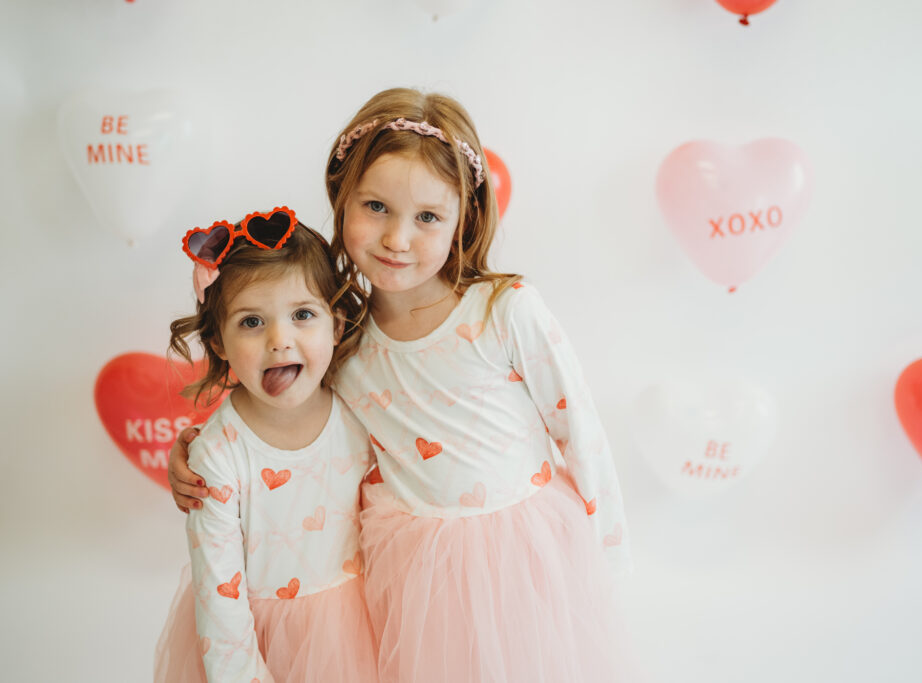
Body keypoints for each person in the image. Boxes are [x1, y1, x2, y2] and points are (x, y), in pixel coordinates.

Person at [170, 89, 632, 683]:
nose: (398, 238)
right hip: (414, 574)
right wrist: (195, 451)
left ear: (462, 220)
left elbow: (583, 437)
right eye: (376, 206)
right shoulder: (344, 339)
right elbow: (282, 415)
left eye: (428, 218)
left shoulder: (504, 311)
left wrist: (607, 570)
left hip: (522, 559)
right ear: (341, 198)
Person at [155, 207, 379, 683]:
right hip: (256, 647)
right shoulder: (217, 456)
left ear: (336, 326)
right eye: (252, 322)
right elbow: (220, 602)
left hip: (364, 632)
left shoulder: (364, 409)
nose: (280, 340)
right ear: (218, 343)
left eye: (302, 315)